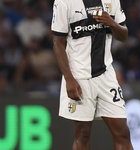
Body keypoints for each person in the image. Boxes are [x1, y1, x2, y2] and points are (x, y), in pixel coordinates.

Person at [51, 0, 134, 150]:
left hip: (106, 75)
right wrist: (69, 78)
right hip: (79, 76)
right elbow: (58, 42)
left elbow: (123, 35)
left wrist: (112, 23)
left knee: (122, 132)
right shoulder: (64, 2)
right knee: (83, 134)